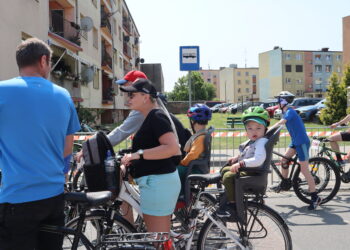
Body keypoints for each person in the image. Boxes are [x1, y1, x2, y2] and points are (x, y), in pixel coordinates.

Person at [0, 38, 81, 249]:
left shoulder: (2, 91)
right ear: (43, 60)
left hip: (17, 197)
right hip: (53, 197)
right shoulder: (64, 96)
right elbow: (68, 148)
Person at [120, 78, 181, 235]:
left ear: (145, 97)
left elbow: (172, 148)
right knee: (160, 239)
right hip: (157, 183)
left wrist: (137, 155)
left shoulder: (156, 116)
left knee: (159, 240)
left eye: (132, 95)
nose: (128, 99)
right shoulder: (152, 116)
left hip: (158, 184)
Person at [270, 91, 322, 210]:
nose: (277, 102)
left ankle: (315, 197)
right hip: (295, 141)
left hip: (302, 142)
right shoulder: (285, 111)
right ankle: (285, 183)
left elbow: (281, 123)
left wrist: (267, 131)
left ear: (283, 101)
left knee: (304, 170)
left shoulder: (290, 111)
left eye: (278, 100)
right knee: (284, 160)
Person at [216, 106, 270, 218]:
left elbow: (258, 159)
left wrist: (241, 163)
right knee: (224, 170)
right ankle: (229, 194)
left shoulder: (261, 142)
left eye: (258, 128)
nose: (254, 131)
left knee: (228, 176)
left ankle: (233, 206)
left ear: (265, 129)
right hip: (249, 170)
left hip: (253, 172)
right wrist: (237, 158)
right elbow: (248, 153)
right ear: (246, 130)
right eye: (250, 128)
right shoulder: (254, 141)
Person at [177, 104, 212, 196]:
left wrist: (181, 163)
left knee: (176, 171)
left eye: (190, 120)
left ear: (193, 122)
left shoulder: (200, 137)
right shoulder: (202, 134)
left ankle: (181, 196)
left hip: (197, 169)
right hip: (198, 167)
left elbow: (193, 155)